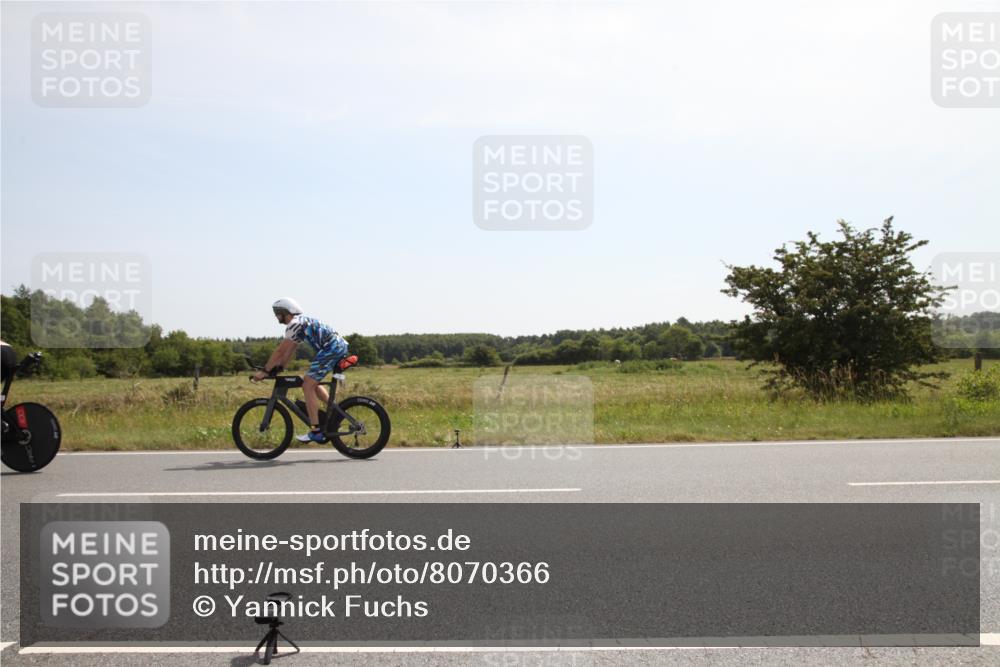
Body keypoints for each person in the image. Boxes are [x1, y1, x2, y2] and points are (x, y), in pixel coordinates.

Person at [253, 299, 349, 443]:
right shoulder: (300, 324)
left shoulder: (294, 324)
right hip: (335, 346)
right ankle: (334, 414)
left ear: (285, 313)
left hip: (331, 347)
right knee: (311, 382)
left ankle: (316, 431)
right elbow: (289, 351)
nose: (276, 317)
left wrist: (265, 371)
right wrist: (279, 368)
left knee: (307, 385)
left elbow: (280, 351)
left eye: (278, 314)